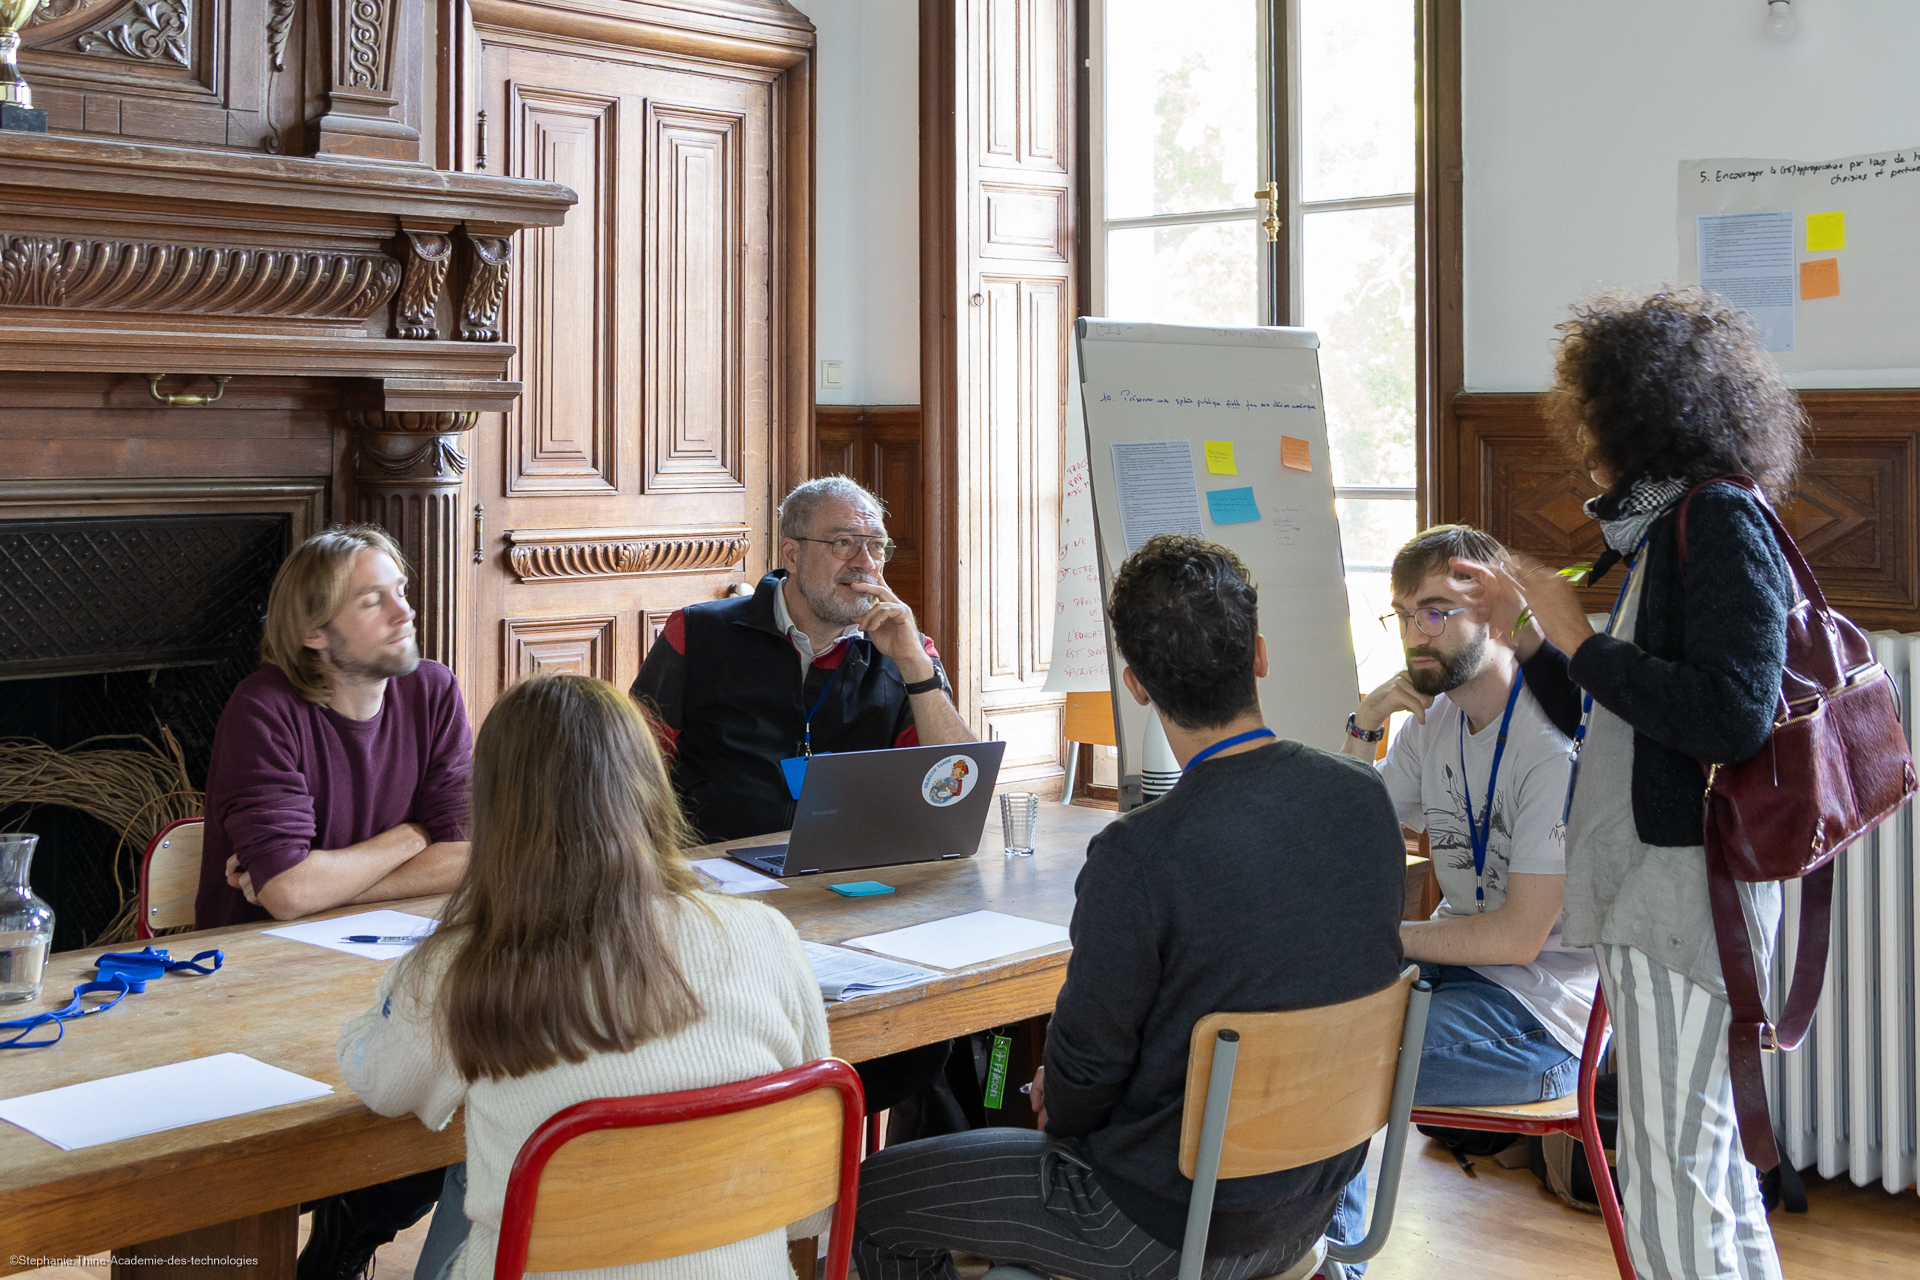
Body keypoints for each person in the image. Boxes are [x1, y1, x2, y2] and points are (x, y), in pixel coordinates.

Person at [852, 535, 1407, 1280]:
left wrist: (1058, 1091)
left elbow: (1081, 1085)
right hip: (1314, 1204)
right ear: (1259, 656)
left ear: (1137, 685)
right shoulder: (1362, 795)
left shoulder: (1139, 851)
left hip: (1158, 1224)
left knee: (870, 1201)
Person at [1452, 288, 1801, 1280]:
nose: (1586, 450)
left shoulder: (1717, 518)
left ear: (1637, 414)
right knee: (1701, 1165)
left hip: (1684, 892)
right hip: (1658, 889)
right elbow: (1606, 716)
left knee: (1674, 1172)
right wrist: (1535, 637)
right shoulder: (1666, 528)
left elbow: (1729, 715)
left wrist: (1575, 634)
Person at [338, 674, 831, 1280]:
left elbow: (381, 1083)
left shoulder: (456, 967)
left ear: (493, 808)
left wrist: (400, 987)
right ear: (649, 786)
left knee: (484, 1169)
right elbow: (811, 1199)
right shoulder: (765, 934)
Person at [630, 475, 971, 1130]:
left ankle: (845, 1171)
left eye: (876, 546)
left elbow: (955, 784)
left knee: (924, 1041)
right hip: (718, 909)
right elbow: (632, 771)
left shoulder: (903, 651)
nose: (865, 563)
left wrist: (914, 666)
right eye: (844, 543)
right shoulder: (700, 633)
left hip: (851, 903)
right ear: (791, 551)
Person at [1340, 524, 1594, 1107]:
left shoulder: (1553, 742)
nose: (1414, 637)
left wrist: (1376, 936)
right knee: (1285, 1017)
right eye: (1403, 616)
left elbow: (1518, 938)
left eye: (1434, 614)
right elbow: (1345, 840)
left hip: (1541, 1016)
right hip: (1450, 974)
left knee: (1325, 1057)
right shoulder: (1430, 721)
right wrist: (1366, 724)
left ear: (1496, 617)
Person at [196, 525, 471, 930]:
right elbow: (290, 892)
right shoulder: (262, 708)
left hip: (391, 942)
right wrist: (412, 838)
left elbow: (469, 858)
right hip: (263, 954)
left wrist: (324, 889)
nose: (404, 613)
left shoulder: (434, 691)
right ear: (313, 631)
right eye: (372, 601)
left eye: (401, 591)